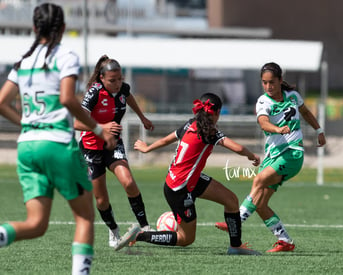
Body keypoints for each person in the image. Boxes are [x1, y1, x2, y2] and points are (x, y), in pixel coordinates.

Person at [0, 3, 116, 275]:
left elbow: (2, 102)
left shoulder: (24, 61)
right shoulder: (65, 56)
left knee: (36, 225)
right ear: (63, 28)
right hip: (55, 145)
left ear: (34, 28)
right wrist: (98, 130)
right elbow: (66, 98)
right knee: (85, 217)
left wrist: (27, 124)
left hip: (27, 147)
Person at [114, 93, 261, 255]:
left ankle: (236, 247)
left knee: (231, 200)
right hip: (180, 189)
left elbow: (167, 139)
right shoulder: (210, 132)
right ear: (217, 112)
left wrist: (147, 148)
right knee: (186, 239)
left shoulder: (190, 124)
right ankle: (141, 235)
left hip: (188, 180)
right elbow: (238, 148)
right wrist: (252, 156)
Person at [215, 62, 327, 253]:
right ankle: (285, 241)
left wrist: (319, 130)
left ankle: (237, 221)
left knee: (259, 180)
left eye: (272, 83)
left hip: (292, 154)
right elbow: (263, 123)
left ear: (280, 80)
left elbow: (306, 112)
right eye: (264, 83)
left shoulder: (293, 96)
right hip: (272, 156)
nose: (268, 87)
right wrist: (277, 129)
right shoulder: (262, 101)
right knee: (260, 205)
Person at [74, 55, 155, 248]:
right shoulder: (94, 93)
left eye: (120, 79)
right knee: (101, 199)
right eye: (112, 80)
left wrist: (142, 117)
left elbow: (129, 97)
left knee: (129, 182)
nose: (117, 84)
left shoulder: (123, 90)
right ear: (102, 78)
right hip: (91, 149)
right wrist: (101, 127)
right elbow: (76, 123)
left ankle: (145, 226)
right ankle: (113, 230)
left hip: (112, 144)